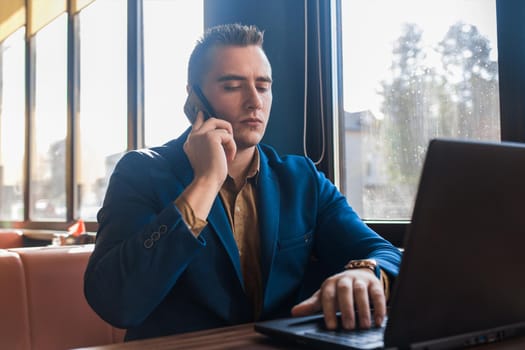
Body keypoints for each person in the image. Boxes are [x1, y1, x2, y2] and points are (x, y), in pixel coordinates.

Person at [84, 23, 402, 341]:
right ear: (194, 98)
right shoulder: (141, 172)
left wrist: (365, 272)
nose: (254, 102)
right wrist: (206, 182)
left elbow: (385, 253)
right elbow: (116, 302)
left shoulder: (301, 178)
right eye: (233, 86)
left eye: (263, 86)